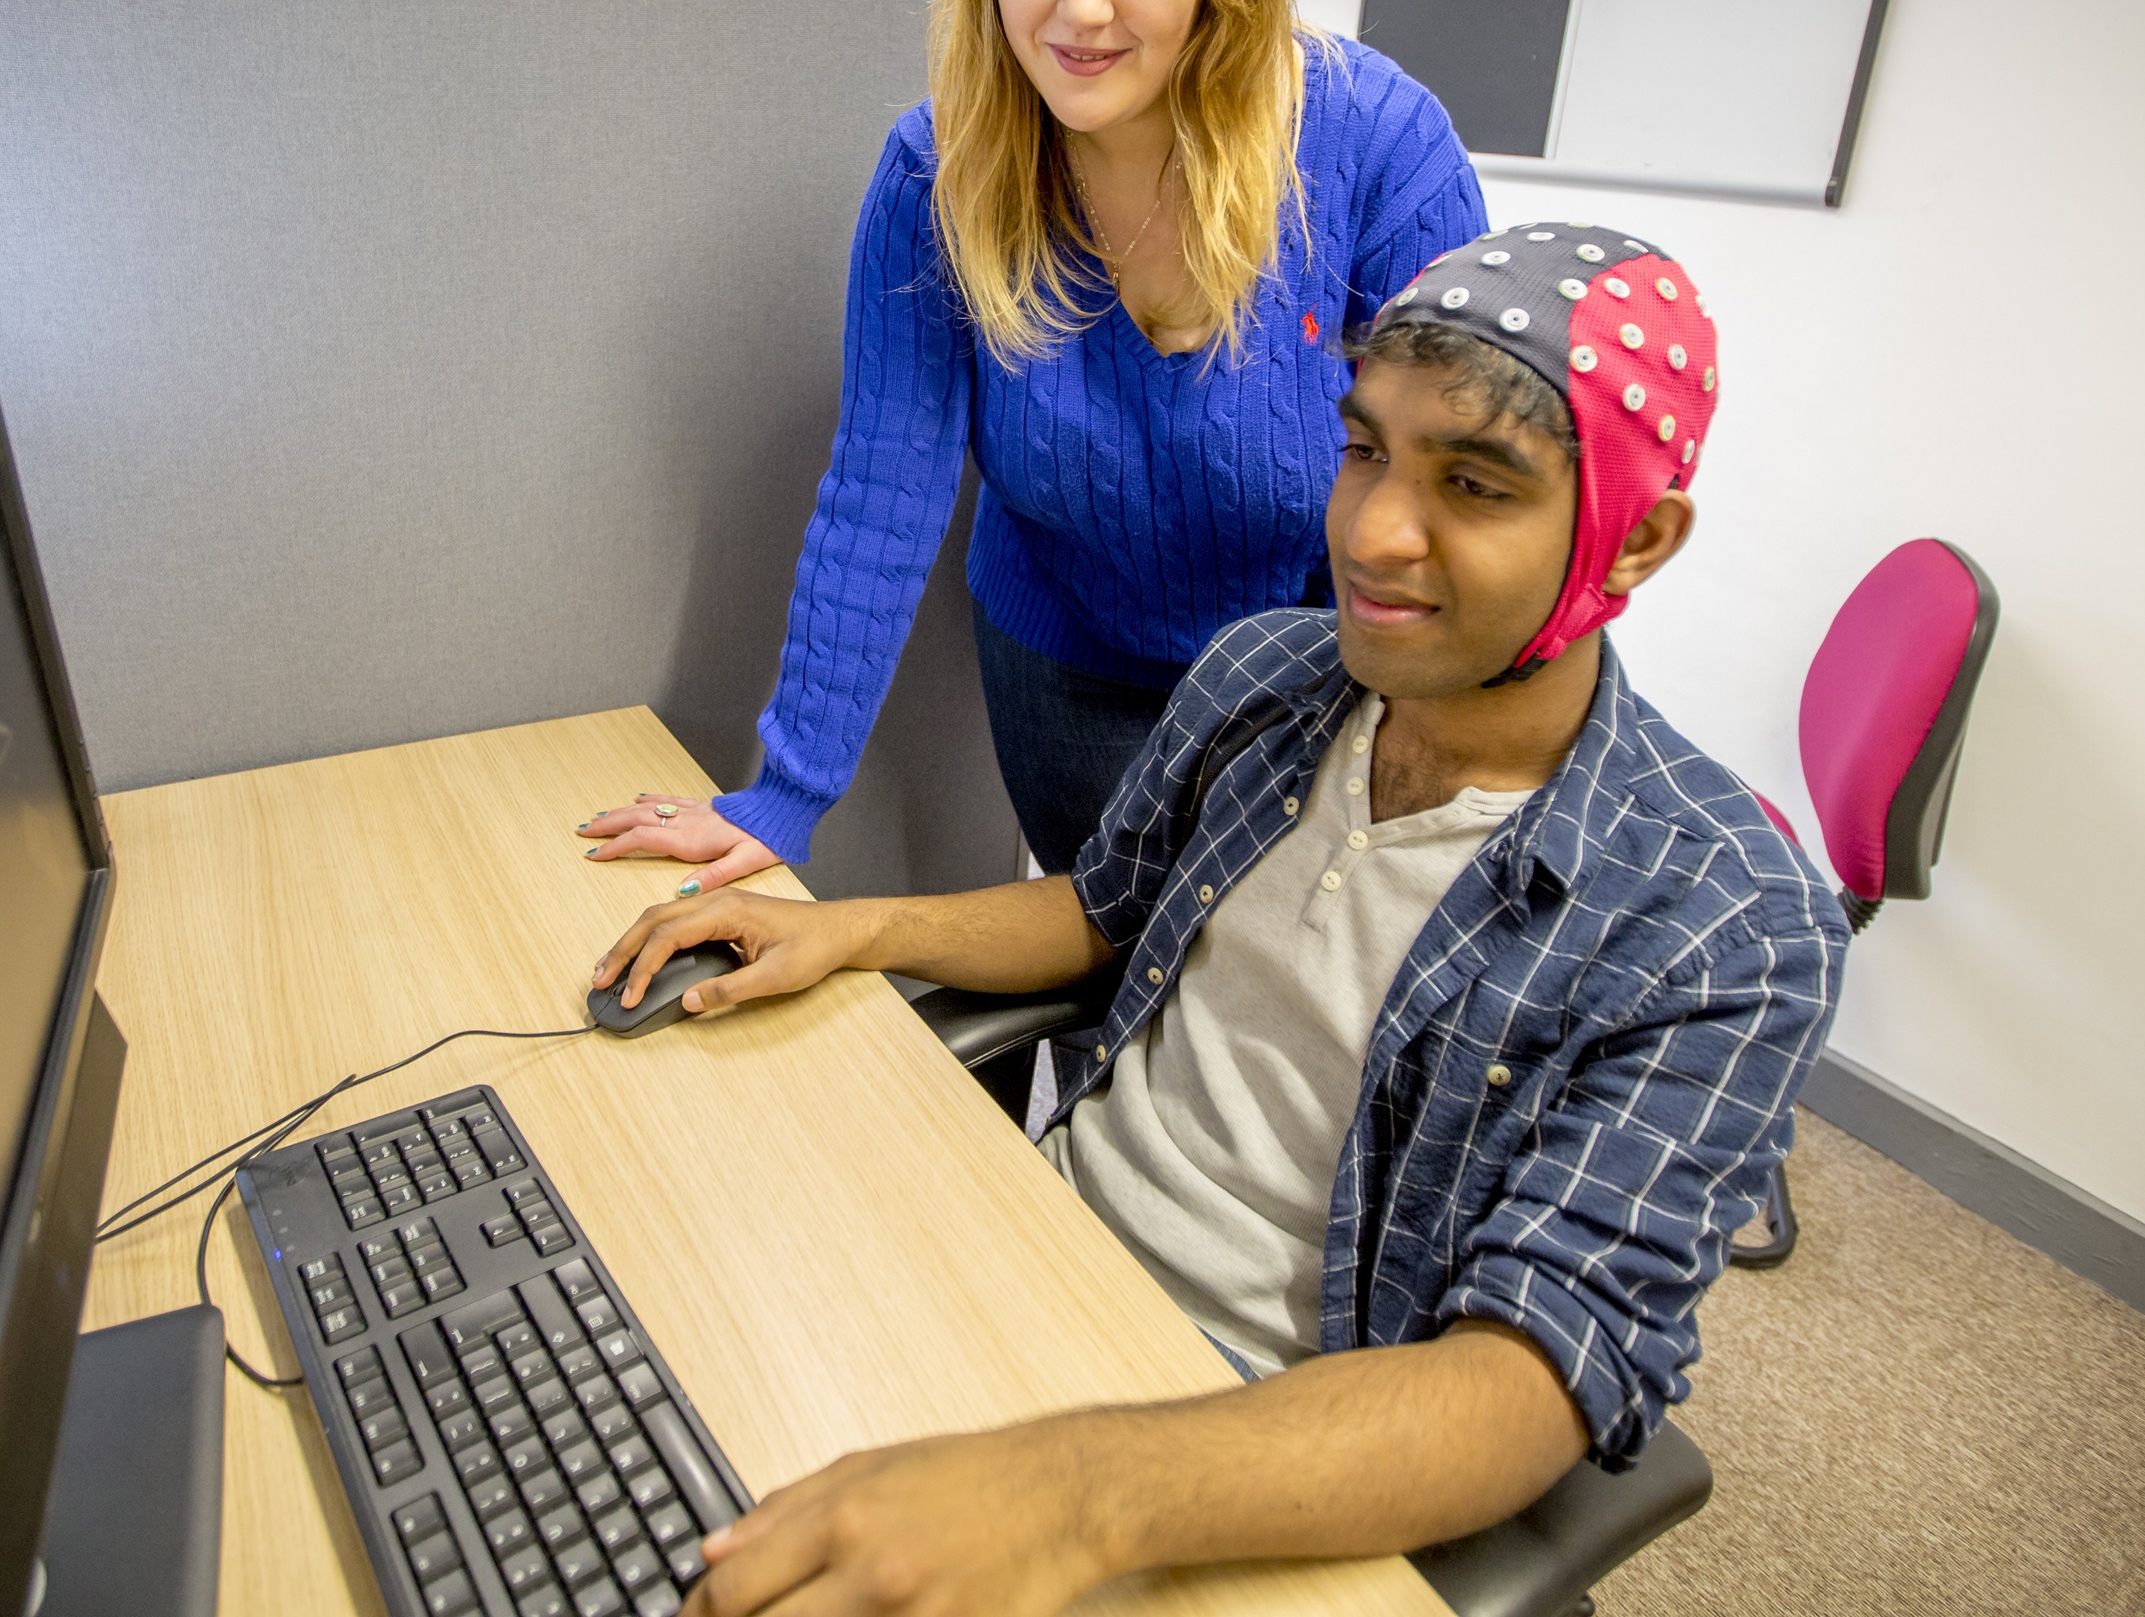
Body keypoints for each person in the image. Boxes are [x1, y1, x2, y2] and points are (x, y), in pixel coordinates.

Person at [593, 225, 1846, 1616]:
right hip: (1038, 1244)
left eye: (1475, 487)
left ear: (1640, 536)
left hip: (1266, 1445)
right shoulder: (1269, 677)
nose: (1371, 532)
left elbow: (1532, 1375)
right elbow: (1105, 909)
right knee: (638, 1400)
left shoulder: (1725, 919)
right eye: (1364, 449)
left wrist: (1069, 1497)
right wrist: (857, 929)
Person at [577, 0, 1485, 888]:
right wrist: (784, 795)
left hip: (1321, 684)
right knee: (1104, 988)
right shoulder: (939, 172)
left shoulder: (1379, 151)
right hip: (1070, 678)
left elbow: (1464, 503)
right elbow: (882, 491)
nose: (1082, 7)